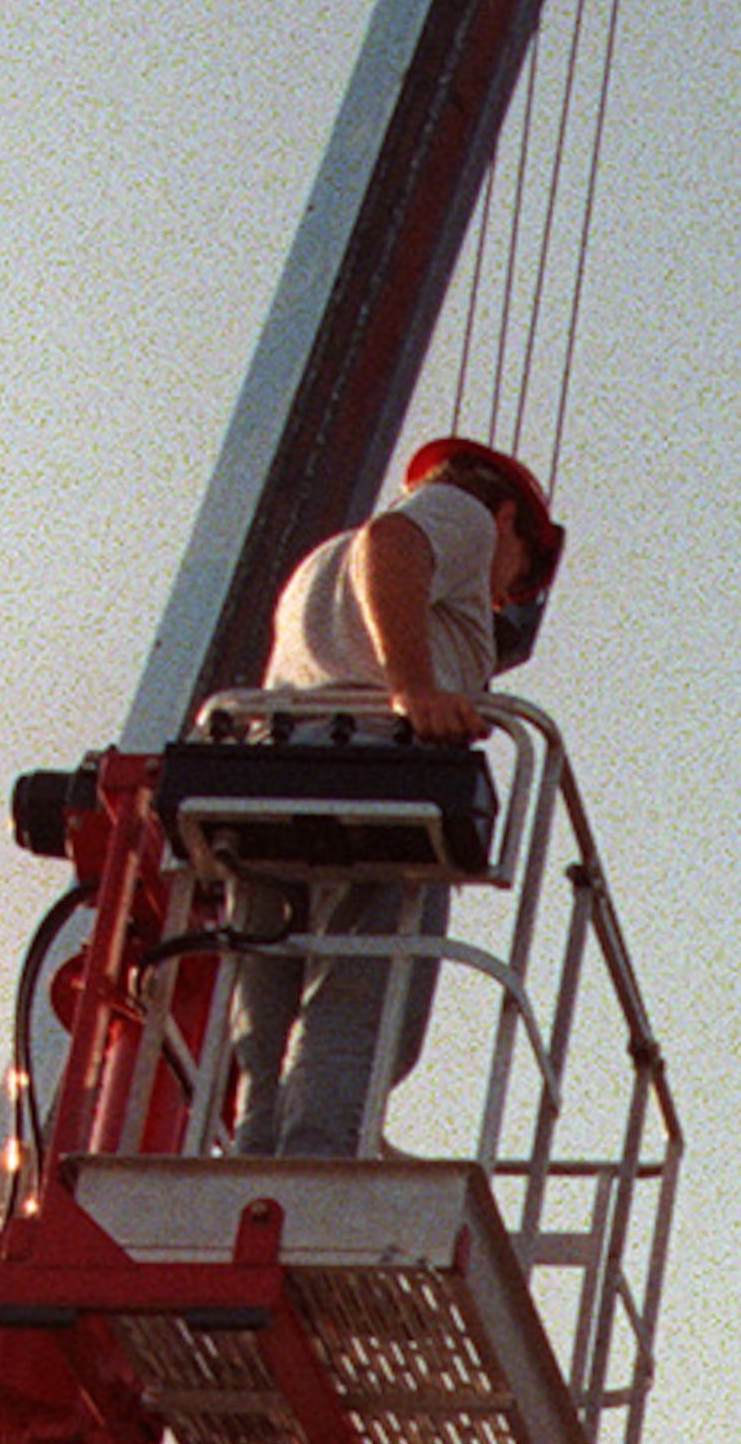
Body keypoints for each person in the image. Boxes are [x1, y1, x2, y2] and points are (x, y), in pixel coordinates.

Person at [221, 435, 563, 1166]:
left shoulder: (318, 566)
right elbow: (397, 542)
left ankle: (257, 1157)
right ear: (508, 518)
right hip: (371, 785)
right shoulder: (465, 518)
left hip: (271, 779)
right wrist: (413, 687)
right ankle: (315, 1169)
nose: (503, 597)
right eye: (518, 577)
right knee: (365, 995)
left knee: (269, 998)